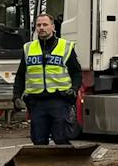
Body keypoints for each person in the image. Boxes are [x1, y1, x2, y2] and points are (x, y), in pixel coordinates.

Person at [14, 13, 80, 145]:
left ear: (53, 27)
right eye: (38, 25)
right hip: (37, 102)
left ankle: (64, 165)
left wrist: (74, 89)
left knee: (61, 138)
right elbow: (21, 74)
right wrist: (16, 96)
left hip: (59, 100)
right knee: (38, 140)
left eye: (45, 25)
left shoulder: (65, 47)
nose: (41, 28)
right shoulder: (28, 48)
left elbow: (76, 72)